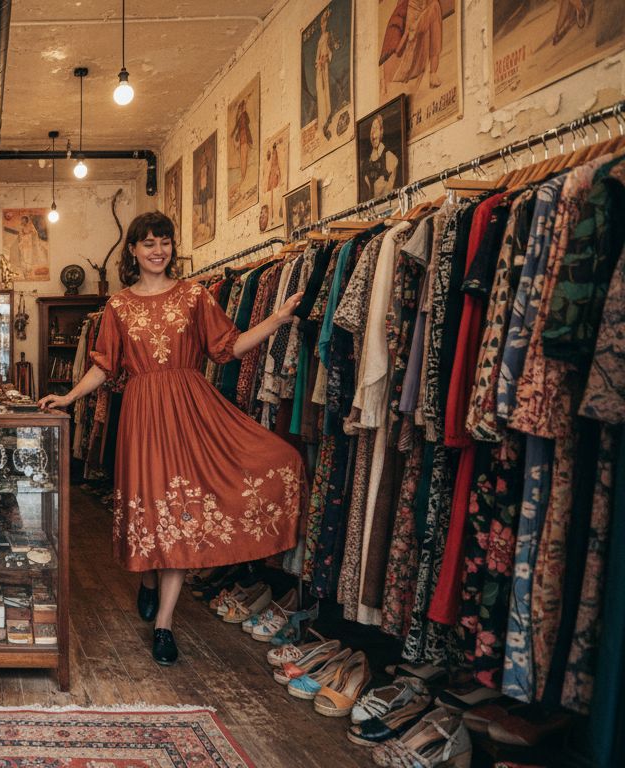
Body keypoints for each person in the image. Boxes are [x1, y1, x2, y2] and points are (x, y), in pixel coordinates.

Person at [38, 211, 304, 665]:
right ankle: (147, 579)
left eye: (164, 242)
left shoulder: (195, 295)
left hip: (190, 411)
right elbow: (104, 366)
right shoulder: (118, 306)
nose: (158, 250)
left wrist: (275, 320)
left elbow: (228, 348)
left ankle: (164, 624)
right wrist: (68, 397)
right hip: (142, 416)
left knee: (182, 510)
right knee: (151, 511)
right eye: (148, 243)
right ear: (133, 251)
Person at [359, 113, 400, 198]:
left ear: (381, 132)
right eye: (372, 129)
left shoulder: (390, 158)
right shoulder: (364, 163)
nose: (373, 133)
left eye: (376, 128)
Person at [314, 9, 335, 139]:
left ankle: (328, 114)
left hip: (325, 66)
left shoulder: (327, 35)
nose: (324, 25)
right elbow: (317, 56)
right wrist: (318, 63)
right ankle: (322, 118)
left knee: (326, 88)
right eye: (322, 23)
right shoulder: (320, 39)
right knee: (320, 91)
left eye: (325, 23)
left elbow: (329, 51)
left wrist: (325, 59)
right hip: (320, 67)